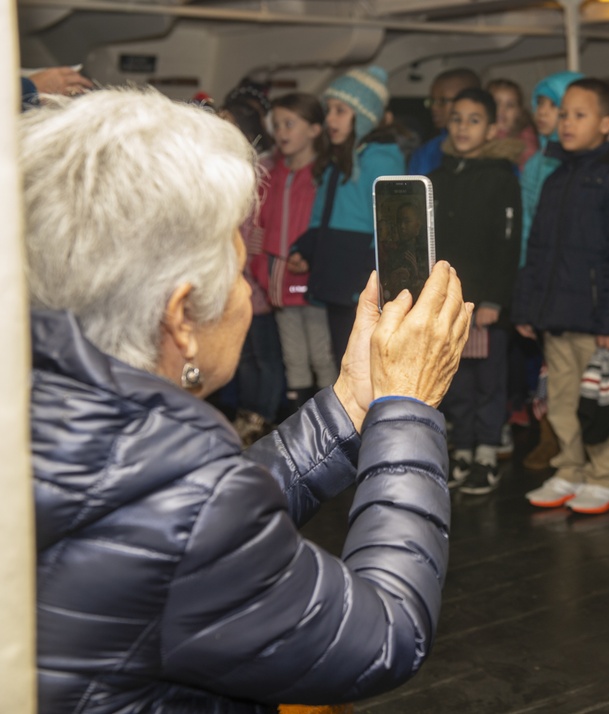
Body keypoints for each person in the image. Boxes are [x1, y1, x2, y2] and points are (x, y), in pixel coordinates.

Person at [23, 87, 473, 712]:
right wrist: (408, 409)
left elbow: (174, 516)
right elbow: (385, 635)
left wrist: (351, 402)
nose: (243, 290)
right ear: (181, 317)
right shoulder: (176, 503)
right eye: (237, 270)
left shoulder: (44, 405)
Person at [512, 78, 609, 514]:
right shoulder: (556, 177)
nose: (566, 123)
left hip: (596, 319)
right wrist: (528, 306)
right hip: (556, 314)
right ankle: (571, 469)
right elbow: (538, 250)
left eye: (579, 114)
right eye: (563, 113)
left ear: (607, 123)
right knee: (562, 400)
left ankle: (606, 478)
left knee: (602, 402)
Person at [430, 88, 523, 495]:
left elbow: (507, 244)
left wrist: (493, 300)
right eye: (457, 119)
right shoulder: (437, 177)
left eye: (474, 120)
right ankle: (463, 450)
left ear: (491, 127)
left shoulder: (502, 177)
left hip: (483, 304)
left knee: (488, 382)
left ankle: (487, 453)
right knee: (455, 381)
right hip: (448, 301)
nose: (463, 128)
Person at [291, 66, 405, 368]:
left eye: (340, 111)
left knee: (364, 361)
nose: (330, 119)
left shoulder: (380, 159)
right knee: (343, 358)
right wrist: (305, 248)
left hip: (359, 279)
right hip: (336, 274)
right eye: (329, 110)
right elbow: (321, 216)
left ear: (364, 115)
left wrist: (371, 278)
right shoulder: (337, 159)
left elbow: (391, 228)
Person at [251, 93, 337, 412]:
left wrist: (315, 259)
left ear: (315, 129)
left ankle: (332, 424)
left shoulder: (325, 174)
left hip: (313, 279)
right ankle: (299, 420)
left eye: (290, 124)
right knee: (293, 357)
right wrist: (261, 268)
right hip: (277, 276)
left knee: (322, 354)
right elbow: (259, 226)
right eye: (277, 125)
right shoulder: (272, 174)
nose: (281, 132)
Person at [517, 70, 584, 471]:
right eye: (540, 104)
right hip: (540, 279)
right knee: (549, 372)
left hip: (574, 285)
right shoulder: (534, 164)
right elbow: (527, 229)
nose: (544, 113)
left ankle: (585, 454)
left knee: (585, 378)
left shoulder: (581, 165)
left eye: (553, 106)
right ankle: (552, 440)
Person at [219, 95, 284, 444]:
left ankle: (264, 416)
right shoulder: (229, 168)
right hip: (233, 274)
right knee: (242, 352)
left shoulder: (265, 169)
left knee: (265, 354)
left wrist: (255, 264)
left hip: (255, 275)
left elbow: (261, 225)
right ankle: (246, 413)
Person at [408, 67, 481, 176]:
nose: (434, 107)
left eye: (442, 101)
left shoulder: (495, 153)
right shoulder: (425, 153)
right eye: (432, 101)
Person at [486, 78, 538, 171]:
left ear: (519, 112)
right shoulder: (477, 137)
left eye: (510, 105)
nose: (502, 110)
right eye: (496, 103)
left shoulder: (525, 144)